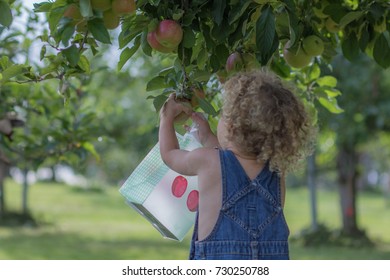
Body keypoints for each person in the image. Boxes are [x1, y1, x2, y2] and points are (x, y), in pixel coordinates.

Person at [159, 69, 316, 260]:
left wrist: (166, 118)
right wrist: (208, 136)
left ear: (232, 127)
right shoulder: (276, 172)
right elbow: (234, 167)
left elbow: (170, 155)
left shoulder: (207, 160)